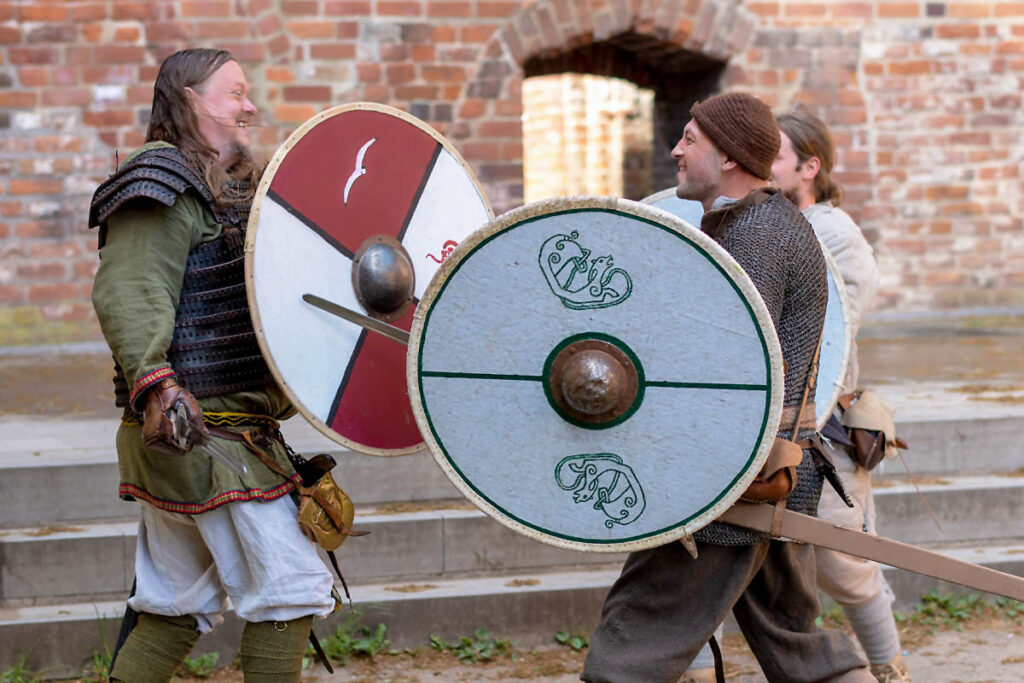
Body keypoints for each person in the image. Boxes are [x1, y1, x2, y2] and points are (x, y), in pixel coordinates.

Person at [581, 92, 873, 683]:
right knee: (798, 648)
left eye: (691, 139)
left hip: (738, 478)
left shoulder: (759, 236)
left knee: (634, 637)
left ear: (732, 157)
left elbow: (721, 371)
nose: (675, 149)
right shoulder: (756, 226)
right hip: (771, 471)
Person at [88, 48, 336, 682]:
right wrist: (156, 383)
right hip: (198, 430)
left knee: (177, 606)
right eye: (234, 93)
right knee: (291, 588)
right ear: (190, 100)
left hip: (229, 431)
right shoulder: (161, 181)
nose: (249, 106)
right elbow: (130, 288)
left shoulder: (228, 193)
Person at [771, 109, 909, 683]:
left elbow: (832, 329)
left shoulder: (833, 234)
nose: (761, 164)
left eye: (774, 155)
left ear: (810, 167)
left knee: (846, 565)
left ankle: (888, 668)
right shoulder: (768, 224)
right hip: (770, 423)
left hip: (821, 429)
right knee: (719, 556)